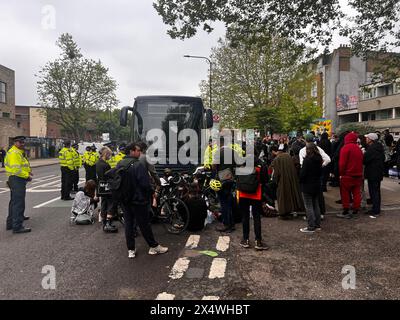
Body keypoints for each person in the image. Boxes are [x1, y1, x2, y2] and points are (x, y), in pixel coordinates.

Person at [119, 142, 168, 259]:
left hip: (125, 200)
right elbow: (145, 184)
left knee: (129, 225)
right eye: (137, 150)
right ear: (131, 151)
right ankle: (153, 246)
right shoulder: (138, 164)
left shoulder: (120, 163)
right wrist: (151, 194)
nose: (139, 152)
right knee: (144, 224)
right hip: (138, 200)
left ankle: (131, 249)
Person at [237, 157, 269, 250]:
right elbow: (265, 180)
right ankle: (258, 241)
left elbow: (237, 178)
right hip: (256, 194)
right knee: (256, 217)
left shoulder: (241, 163)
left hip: (243, 193)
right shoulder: (260, 164)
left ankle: (245, 239)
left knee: (245, 216)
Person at [5, 136, 32, 233]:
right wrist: (26, 176)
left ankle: (11, 223)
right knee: (18, 203)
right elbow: (16, 169)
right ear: (15, 142)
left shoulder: (17, 152)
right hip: (17, 179)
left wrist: (28, 172)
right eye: (20, 142)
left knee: (14, 201)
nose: (22, 144)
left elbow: (22, 166)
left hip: (16, 178)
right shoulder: (15, 153)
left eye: (23, 142)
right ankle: (17, 226)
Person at [270, 145, 304, 218]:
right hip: (291, 178)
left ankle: (284, 212)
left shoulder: (277, 159)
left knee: (283, 196)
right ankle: (294, 209)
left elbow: (276, 173)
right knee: (292, 194)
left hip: (282, 181)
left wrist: (274, 181)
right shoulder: (289, 157)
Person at [336, 132, 364, 219]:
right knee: (356, 193)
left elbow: (342, 164)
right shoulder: (358, 148)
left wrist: (341, 174)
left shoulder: (345, 148)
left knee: (345, 194)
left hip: (347, 175)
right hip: (358, 174)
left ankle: (346, 210)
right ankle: (356, 209)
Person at [299, 144, 323, 233]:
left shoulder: (307, 160)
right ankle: (317, 225)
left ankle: (311, 226)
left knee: (308, 206)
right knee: (316, 205)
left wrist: (300, 180)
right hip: (316, 184)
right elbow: (321, 172)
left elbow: (302, 174)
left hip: (307, 185)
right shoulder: (319, 159)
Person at [96, 146, 118, 232]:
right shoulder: (105, 164)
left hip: (101, 187)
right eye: (109, 154)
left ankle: (104, 222)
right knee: (111, 204)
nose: (110, 156)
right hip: (107, 187)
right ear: (106, 154)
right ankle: (108, 223)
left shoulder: (98, 163)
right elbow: (107, 176)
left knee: (104, 204)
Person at [363, 133, 385, 218]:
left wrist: (364, 153)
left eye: (367, 138)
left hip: (373, 173)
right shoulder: (379, 147)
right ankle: (376, 209)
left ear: (371, 139)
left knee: (374, 192)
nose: (366, 139)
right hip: (377, 172)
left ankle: (375, 210)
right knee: (376, 192)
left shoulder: (372, 149)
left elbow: (365, 160)